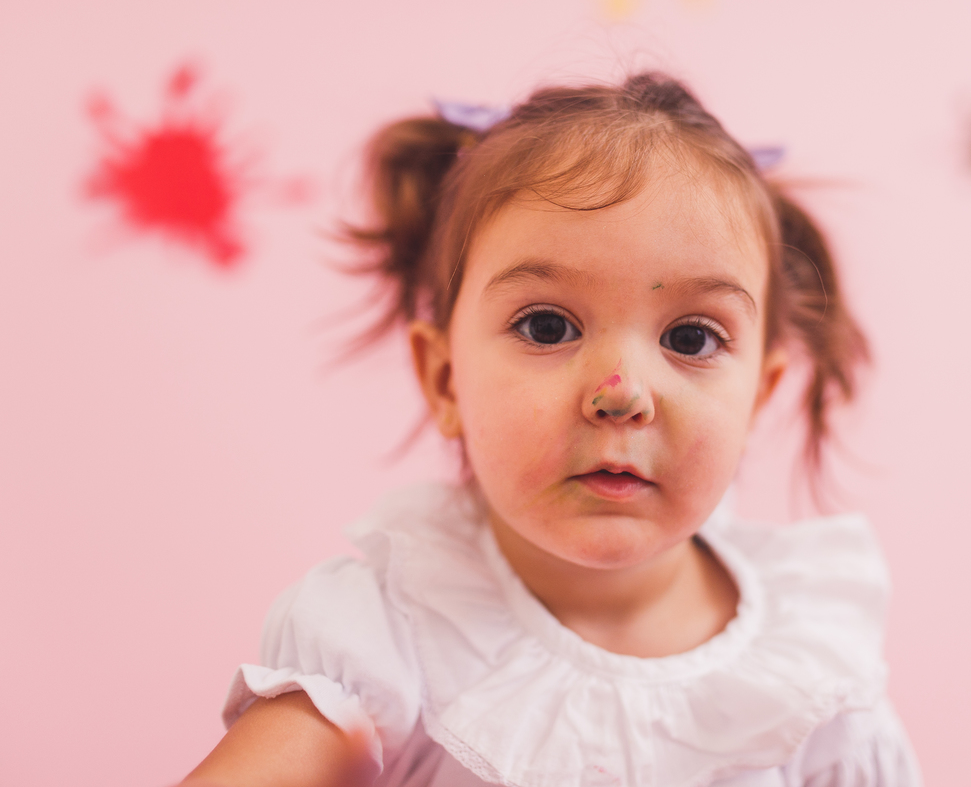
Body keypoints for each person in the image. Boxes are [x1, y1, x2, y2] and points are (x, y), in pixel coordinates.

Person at [182, 72, 921, 787]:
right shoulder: (387, 640)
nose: (622, 394)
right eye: (547, 326)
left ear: (759, 398)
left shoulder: (813, 682)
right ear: (444, 379)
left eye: (691, 339)